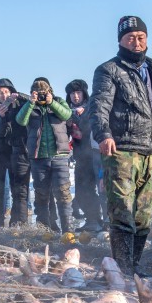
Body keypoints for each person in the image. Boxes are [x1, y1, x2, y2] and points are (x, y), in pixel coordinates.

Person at [90, 16, 152, 275]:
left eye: (141, 37)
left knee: (142, 216)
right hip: (122, 151)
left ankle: (134, 265)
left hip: (149, 151)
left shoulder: (151, 69)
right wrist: (104, 134)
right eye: (130, 37)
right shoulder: (108, 70)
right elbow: (99, 106)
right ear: (120, 40)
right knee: (123, 212)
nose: (137, 42)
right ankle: (123, 269)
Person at [16, 77, 75, 237]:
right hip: (38, 157)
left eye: (45, 93)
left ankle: (68, 232)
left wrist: (51, 103)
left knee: (63, 195)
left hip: (60, 156)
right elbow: (20, 121)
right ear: (33, 93)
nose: (42, 96)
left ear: (50, 92)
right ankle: (45, 231)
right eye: (38, 93)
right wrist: (31, 103)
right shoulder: (30, 106)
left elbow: (67, 114)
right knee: (41, 196)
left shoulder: (58, 102)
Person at [65, 79, 104, 232]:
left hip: (94, 154)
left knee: (98, 190)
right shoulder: (67, 110)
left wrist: (80, 117)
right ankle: (91, 219)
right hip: (80, 156)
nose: (75, 96)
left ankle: (99, 221)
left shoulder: (91, 108)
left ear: (84, 93)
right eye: (72, 93)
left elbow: (90, 129)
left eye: (78, 92)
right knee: (81, 191)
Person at [0, 78, 24, 227]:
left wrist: (18, 96)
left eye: (6, 92)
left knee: (16, 189)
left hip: (14, 152)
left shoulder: (17, 105)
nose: (3, 95)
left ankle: (15, 221)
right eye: (0, 92)